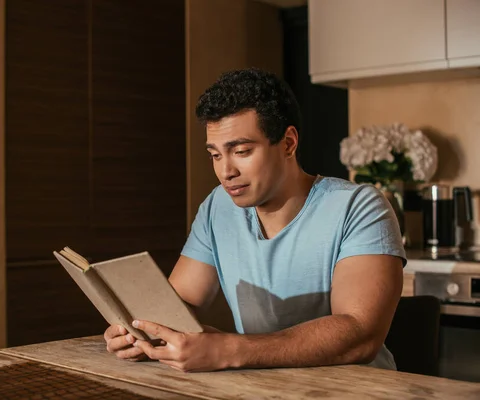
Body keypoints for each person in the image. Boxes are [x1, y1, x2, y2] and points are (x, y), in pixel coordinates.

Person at [103, 68, 406, 373]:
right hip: (261, 389)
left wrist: (229, 349)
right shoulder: (218, 207)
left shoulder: (359, 207)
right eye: (215, 155)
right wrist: (142, 331)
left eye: (242, 151)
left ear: (288, 143)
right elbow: (179, 305)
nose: (226, 171)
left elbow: (360, 334)